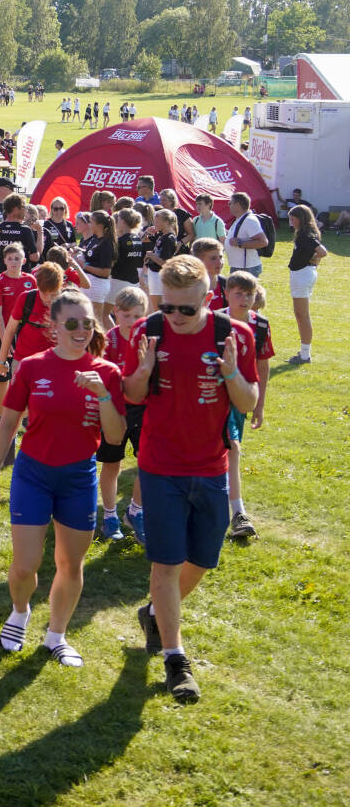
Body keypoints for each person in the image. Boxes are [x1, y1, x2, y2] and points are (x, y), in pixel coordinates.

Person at [123, 256, 259, 703]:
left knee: (204, 558)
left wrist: (232, 374)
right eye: (169, 308)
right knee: (165, 563)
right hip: (160, 464)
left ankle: (154, 614)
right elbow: (132, 395)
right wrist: (141, 372)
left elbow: (247, 397)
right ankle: (174, 658)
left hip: (211, 465)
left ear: (207, 297)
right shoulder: (147, 333)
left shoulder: (232, 335)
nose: (176, 318)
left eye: (187, 309)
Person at [0, 289, 126, 667]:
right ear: (54, 326)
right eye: (73, 323)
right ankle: (20, 611)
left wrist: (104, 397)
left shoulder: (107, 372)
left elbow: (114, 437)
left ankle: (56, 635)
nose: (81, 331)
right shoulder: (32, 366)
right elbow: (8, 423)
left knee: (70, 564)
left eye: (87, 324)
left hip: (78, 476)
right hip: (33, 473)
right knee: (25, 565)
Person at [222, 272, 273, 539]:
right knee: (232, 447)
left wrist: (259, 405)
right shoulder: (216, 321)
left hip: (241, 397)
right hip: (215, 397)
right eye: (238, 294)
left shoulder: (261, 325)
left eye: (249, 295)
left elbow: (263, 366)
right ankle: (238, 513)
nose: (243, 300)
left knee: (228, 450)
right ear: (227, 294)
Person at [97, 286, 148, 542]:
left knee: (148, 463)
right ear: (115, 312)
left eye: (137, 316)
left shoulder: (149, 339)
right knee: (111, 463)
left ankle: (135, 510)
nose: (131, 322)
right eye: (126, 315)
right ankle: (109, 515)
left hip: (143, 409)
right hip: (114, 410)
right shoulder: (109, 339)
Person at [285, 205, 326, 365]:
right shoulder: (306, 233)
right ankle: (304, 353)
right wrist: (314, 260)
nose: (291, 221)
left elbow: (322, 251)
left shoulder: (304, 234)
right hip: (304, 274)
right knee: (301, 315)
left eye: (292, 218)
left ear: (300, 218)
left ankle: (304, 355)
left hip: (302, 275)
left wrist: (315, 259)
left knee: (302, 316)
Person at [79, 211, 116, 328]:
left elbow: (106, 272)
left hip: (98, 284)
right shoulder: (95, 238)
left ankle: (102, 345)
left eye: (91, 222)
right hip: (89, 282)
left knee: (96, 321)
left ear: (99, 225)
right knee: (87, 318)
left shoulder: (106, 243)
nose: (89, 225)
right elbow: (91, 256)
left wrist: (84, 266)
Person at [224, 192, 267, 277]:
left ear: (237, 204)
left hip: (247, 268)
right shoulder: (240, 218)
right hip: (239, 266)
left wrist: (240, 243)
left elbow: (263, 242)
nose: (228, 205)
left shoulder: (249, 220)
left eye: (230, 203)